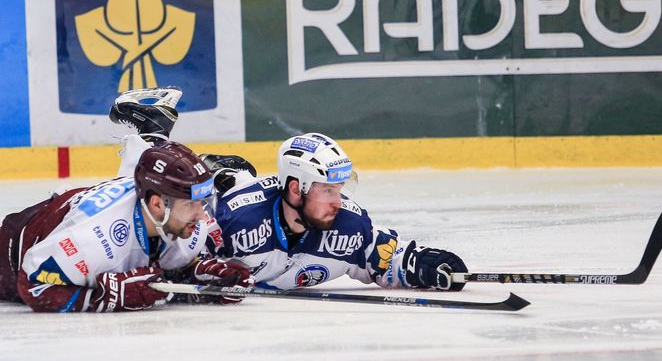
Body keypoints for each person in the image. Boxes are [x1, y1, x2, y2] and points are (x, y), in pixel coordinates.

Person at [0, 130, 249, 312]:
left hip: (58, 214)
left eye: (202, 202)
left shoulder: (183, 222)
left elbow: (160, 269)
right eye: (191, 204)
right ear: (157, 204)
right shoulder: (95, 239)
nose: (201, 214)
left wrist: (200, 273)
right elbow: (33, 286)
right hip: (11, 257)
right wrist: (107, 298)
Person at [202, 132, 468, 291]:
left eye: (338, 189)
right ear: (296, 189)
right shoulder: (236, 219)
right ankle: (225, 172)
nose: (337, 202)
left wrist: (422, 264)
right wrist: (197, 275)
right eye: (327, 191)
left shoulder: (347, 225)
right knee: (224, 181)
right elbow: (178, 253)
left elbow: (383, 257)